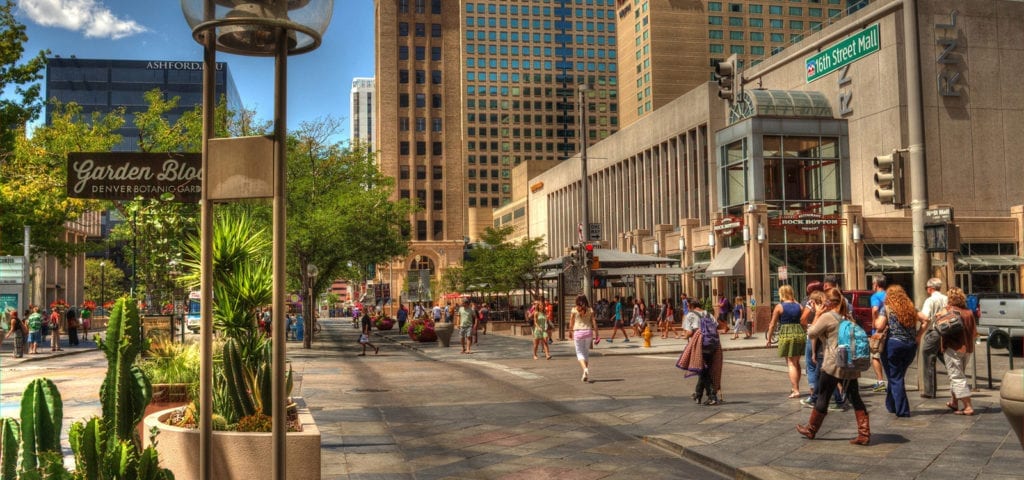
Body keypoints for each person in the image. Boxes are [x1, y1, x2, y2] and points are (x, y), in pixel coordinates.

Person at [797, 288, 871, 445]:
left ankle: (811, 430)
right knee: (855, 396)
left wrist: (817, 314)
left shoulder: (828, 317)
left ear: (828, 303)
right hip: (850, 364)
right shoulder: (848, 316)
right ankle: (864, 434)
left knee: (823, 395)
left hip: (833, 364)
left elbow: (811, 333)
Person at [875, 285, 918, 418]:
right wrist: (918, 336)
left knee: (895, 377)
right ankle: (891, 404)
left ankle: (902, 410)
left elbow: (879, 325)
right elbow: (926, 319)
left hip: (893, 345)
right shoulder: (911, 308)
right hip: (910, 346)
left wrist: (875, 316)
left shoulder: (887, 308)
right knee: (896, 376)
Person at [940, 287, 978, 416]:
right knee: (956, 374)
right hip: (967, 348)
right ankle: (954, 402)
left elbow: (937, 322)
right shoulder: (969, 312)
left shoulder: (948, 310)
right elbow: (974, 333)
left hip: (953, 348)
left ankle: (968, 406)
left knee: (956, 377)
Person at [678, 298, 722, 405]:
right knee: (703, 369)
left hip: (700, 345)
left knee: (703, 370)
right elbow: (717, 326)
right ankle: (698, 395)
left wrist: (683, 337)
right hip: (712, 344)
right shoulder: (707, 313)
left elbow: (689, 332)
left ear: (690, 306)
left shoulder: (690, 315)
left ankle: (712, 396)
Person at [767, 285, 806, 398]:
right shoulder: (799, 306)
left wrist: (769, 339)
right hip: (799, 334)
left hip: (787, 334)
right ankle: (795, 386)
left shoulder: (779, 307)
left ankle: (795, 389)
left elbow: (772, 324)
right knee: (796, 362)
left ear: (781, 294)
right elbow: (803, 322)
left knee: (791, 363)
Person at [917, 277, 948, 398]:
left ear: (930, 288)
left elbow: (925, 317)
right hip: (946, 332)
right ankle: (958, 382)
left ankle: (929, 391)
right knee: (946, 358)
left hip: (934, 332)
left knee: (928, 359)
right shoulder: (947, 299)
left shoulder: (930, 301)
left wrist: (919, 334)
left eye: (926, 288)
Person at [570, 294, 598, 382]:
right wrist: (597, 334)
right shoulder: (590, 310)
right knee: (586, 353)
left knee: (579, 353)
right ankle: (584, 373)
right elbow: (594, 322)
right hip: (588, 332)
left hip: (578, 332)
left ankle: (585, 369)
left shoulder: (574, 310)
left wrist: (570, 332)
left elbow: (571, 322)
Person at [868, 274, 888, 392]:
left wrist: (874, 323)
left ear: (876, 284)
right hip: (889, 329)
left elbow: (875, 309)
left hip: (879, 330)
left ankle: (880, 381)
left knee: (875, 356)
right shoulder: (889, 295)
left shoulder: (875, 296)